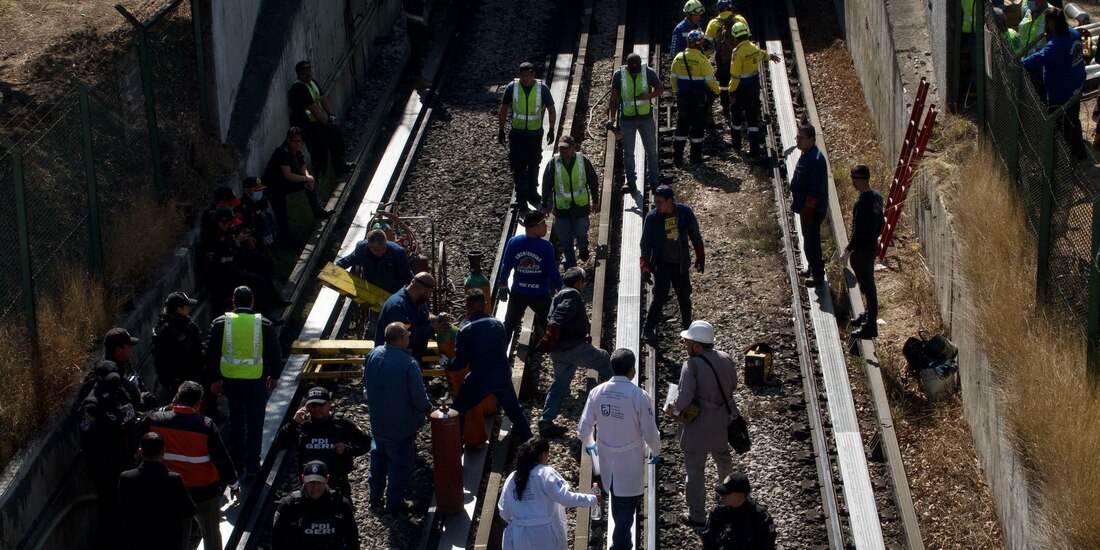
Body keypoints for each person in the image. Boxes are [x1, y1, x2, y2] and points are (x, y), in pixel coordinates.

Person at [578, 349, 661, 550]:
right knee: (626, 505)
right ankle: (620, 545)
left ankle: (623, 542)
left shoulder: (597, 392)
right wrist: (656, 451)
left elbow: (583, 430)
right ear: (632, 369)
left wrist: (592, 446)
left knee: (616, 497)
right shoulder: (639, 396)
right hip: (630, 461)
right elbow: (650, 432)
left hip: (607, 458)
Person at [144, 381, 239, 550]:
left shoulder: (156, 421)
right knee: (211, 533)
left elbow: (147, 416)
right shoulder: (205, 425)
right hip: (204, 491)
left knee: (177, 535)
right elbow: (222, 459)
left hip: (172, 490)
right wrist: (234, 484)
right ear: (198, 403)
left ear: (176, 398)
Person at [662, 321, 739, 528]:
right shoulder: (726, 358)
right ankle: (727, 503)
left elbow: (684, 399)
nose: (685, 345)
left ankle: (697, 515)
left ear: (697, 345)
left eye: (687, 342)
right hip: (722, 423)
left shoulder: (691, 366)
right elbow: (733, 385)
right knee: (724, 462)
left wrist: (672, 408)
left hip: (698, 427)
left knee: (695, 471)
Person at [205, 286, 282, 477]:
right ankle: (253, 465)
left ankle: (237, 461)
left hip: (231, 380)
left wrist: (213, 379)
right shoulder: (263, 324)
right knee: (256, 421)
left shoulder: (220, 323)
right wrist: (275, 376)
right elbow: (275, 353)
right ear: (252, 302)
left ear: (233, 302)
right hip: (256, 380)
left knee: (236, 419)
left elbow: (210, 353)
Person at [534, 268, 613, 437]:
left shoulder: (559, 295)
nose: (584, 286)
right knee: (604, 358)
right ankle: (619, 394)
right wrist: (551, 333)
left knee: (560, 385)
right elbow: (559, 317)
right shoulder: (573, 295)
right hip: (573, 348)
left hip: (558, 351)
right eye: (583, 282)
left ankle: (546, 421)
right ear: (579, 283)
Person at [448, 289, 534, 443]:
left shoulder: (465, 330)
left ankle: (456, 444)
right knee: (515, 411)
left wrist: (447, 364)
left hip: (479, 380)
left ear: (466, 306)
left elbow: (460, 363)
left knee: (458, 410)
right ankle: (530, 441)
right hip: (502, 376)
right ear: (485, 304)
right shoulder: (498, 324)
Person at [363, 322, 432, 513]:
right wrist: (429, 409)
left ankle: (374, 496)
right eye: (407, 335)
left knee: (378, 456)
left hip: (378, 421)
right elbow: (419, 398)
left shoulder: (373, 354)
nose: (409, 337)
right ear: (401, 338)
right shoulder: (408, 364)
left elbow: (366, 382)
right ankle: (395, 501)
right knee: (400, 464)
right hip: (400, 425)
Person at [79, 359, 148, 547]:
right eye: (110, 379)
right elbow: (87, 439)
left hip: (128, 458)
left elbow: (133, 415)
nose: (114, 382)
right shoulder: (92, 406)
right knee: (113, 508)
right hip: (108, 466)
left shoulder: (121, 392)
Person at [498, 436, 598, 550]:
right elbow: (566, 498)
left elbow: (504, 511)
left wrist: (520, 520)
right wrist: (592, 499)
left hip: (519, 535)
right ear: (543, 455)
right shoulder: (545, 473)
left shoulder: (512, 477)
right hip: (544, 534)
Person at [277, 386, 372, 502]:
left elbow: (365, 443)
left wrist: (347, 449)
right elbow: (279, 444)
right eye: (313, 405)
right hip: (309, 486)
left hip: (337, 485)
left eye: (320, 404)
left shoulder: (341, 423)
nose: (317, 409)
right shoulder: (302, 425)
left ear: (329, 404)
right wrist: (293, 423)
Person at [1022, 7, 1088, 161]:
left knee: (1061, 127)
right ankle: (1079, 152)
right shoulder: (1074, 33)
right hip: (1076, 85)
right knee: (1074, 120)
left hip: (1060, 91)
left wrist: (1020, 63)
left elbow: (1040, 57)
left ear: (1052, 23)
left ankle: (1062, 159)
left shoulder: (1058, 44)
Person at [640, 185, 705, 343]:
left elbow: (695, 235)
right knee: (660, 298)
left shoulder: (684, 213)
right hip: (662, 264)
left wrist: (700, 256)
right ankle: (647, 330)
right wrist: (645, 266)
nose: (657, 205)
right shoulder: (652, 217)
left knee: (684, 297)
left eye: (660, 202)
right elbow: (645, 243)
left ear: (670, 201)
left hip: (680, 264)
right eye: (655, 202)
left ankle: (688, 330)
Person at [118, 433, 196, 550]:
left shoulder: (126, 478)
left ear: (141, 451)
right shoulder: (174, 479)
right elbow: (189, 510)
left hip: (137, 541)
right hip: (168, 541)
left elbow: (122, 508)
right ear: (163, 451)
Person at [498, 62, 558, 208]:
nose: (525, 78)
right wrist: (501, 129)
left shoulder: (541, 89)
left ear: (533, 75)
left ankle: (532, 191)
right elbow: (504, 108)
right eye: (522, 75)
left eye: (527, 75)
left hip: (534, 135)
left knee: (534, 164)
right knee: (518, 166)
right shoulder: (512, 88)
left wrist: (551, 128)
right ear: (519, 75)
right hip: (517, 134)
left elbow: (551, 109)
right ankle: (521, 197)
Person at [496, 210, 563, 340]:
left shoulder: (513, 242)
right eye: (544, 224)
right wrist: (562, 290)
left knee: (509, 324)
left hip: (518, 292)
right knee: (549, 325)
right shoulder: (546, 246)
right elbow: (553, 272)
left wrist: (502, 285)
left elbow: (506, 266)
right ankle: (558, 352)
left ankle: (499, 353)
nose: (546, 227)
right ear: (536, 228)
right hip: (540, 294)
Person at [263, 127, 335, 246]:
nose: (298, 144)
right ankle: (287, 243)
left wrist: (308, 177)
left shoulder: (297, 151)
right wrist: (306, 178)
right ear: (289, 140)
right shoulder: (282, 152)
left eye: (300, 141)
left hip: (284, 185)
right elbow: (288, 175)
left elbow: (303, 168)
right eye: (295, 141)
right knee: (282, 217)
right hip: (274, 189)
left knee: (308, 184)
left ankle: (317, 210)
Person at [272, 460, 361, 550]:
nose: (315, 487)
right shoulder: (289, 505)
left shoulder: (341, 504)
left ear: (327, 479)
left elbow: (352, 540)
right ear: (303, 479)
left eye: (319, 482)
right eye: (311, 482)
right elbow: (277, 541)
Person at [540, 135, 600, 268]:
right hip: (562, 209)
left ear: (573, 148)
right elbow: (546, 184)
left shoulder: (582, 161)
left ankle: (583, 246)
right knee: (564, 237)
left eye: (566, 149)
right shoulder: (553, 163)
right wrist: (544, 205)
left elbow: (593, 181)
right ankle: (571, 263)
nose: (564, 152)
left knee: (581, 230)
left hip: (580, 207)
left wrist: (595, 201)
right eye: (561, 149)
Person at [607, 52, 664, 193]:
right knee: (628, 152)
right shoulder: (619, 75)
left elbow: (660, 88)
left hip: (646, 117)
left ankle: (654, 181)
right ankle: (631, 182)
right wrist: (612, 118)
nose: (635, 70)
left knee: (651, 150)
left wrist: (649, 95)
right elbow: (613, 98)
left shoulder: (648, 73)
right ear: (626, 65)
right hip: (627, 119)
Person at [288, 60, 353, 176]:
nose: (308, 74)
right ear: (298, 74)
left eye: (309, 71)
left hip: (317, 122)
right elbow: (313, 108)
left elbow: (323, 98)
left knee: (335, 135)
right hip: (307, 125)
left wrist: (331, 115)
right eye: (304, 73)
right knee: (318, 149)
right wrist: (326, 122)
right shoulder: (298, 88)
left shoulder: (312, 83)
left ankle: (339, 166)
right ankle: (320, 176)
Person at [842, 165, 885, 340]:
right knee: (868, 286)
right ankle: (868, 316)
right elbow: (880, 223)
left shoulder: (862, 202)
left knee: (868, 288)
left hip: (862, 250)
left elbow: (857, 230)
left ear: (858, 180)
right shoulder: (877, 197)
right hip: (871, 246)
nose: (852, 182)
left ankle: (870, 327)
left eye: (853, 178)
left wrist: (848, 249)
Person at [727, 22, 781, 159]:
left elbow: (735, 76)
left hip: (740, 90)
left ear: (735, 37)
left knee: (737, 117)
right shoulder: (753, 47)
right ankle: (755, 150)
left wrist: (731, 92)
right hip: (753, 88)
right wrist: (771, 56)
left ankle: (737, 145)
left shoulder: (737, 53)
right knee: (752, 119)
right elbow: (761, 54)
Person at [373, 272, 451, 360]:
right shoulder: (397, 306)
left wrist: (438, 319)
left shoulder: (418, 301)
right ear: (423, 289)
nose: (430, 296)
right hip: (392, 361)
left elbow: (423, 321)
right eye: (430, 292)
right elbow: (403, 337)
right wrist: (431, 329)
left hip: (410, 359)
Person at [670, 29, 720, 165]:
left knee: (682, 126)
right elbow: (710, 80)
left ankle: (678, 158)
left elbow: (673, 79)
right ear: (701, 42)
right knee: (697, 127)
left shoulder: (679, 57)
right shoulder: (702, 59)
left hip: (683, 97)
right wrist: (717, 91)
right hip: (698, 99)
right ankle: (695, 158)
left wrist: (678, 91)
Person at [791, 124, 829, 287]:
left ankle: (818, 275)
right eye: (797, 137)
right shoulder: (807, 154)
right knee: (808, 239)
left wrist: (808, 210)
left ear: (811, 140)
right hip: (806, 207)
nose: (797, 140)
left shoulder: (815, 159)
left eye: (801, 138)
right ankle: (812, 267)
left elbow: (815, 190)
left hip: (812, 210)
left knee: (812, 241)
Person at [701, 473, 777, 550]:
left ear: (740, 496)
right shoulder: (718, 511)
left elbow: (767, 546)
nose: (721, 497)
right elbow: (708, 541)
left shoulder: (760, 517)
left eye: (725, 494)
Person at [152, 292, 204, 399]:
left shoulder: (168, 325)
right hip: (181, 382)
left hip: (178, 381)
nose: (188, 311)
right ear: (179, 310)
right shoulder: (172, 331)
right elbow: (192, 354)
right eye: (186, 308)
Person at [705, 1, 749, 126]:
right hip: (739, 56)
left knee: (724, 84)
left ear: (718, 9)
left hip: (722, 58)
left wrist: (705, 59)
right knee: (739, 80)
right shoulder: (740, 19)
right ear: (731, 7)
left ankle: (725, 108)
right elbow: (748, 38)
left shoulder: (713, 23)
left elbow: (706, 44)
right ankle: (740, 107)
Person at [335, 228, 415, 293]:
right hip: (371, 288)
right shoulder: (362, 249)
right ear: (368, 244)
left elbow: (406, 275)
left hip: (394, 291)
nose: (380, 253)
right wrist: (334, 268)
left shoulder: (398, 253)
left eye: (383, 249)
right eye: (376, 250)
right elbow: (348, 260)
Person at [238, 176, 277, 254]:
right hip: (253, 240)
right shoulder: (242, 206)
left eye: (260, 189)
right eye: (256, 190)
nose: (260, 192)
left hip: (265, 236)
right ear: (246, 190)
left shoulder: (261, 200)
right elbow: (242, 225)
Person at [404, 0, 432, 89]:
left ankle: (416, 77)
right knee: (416, 51)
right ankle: (416, 78)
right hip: (415, 24)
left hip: (415, 23)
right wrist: (423, 21)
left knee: (416, 50)